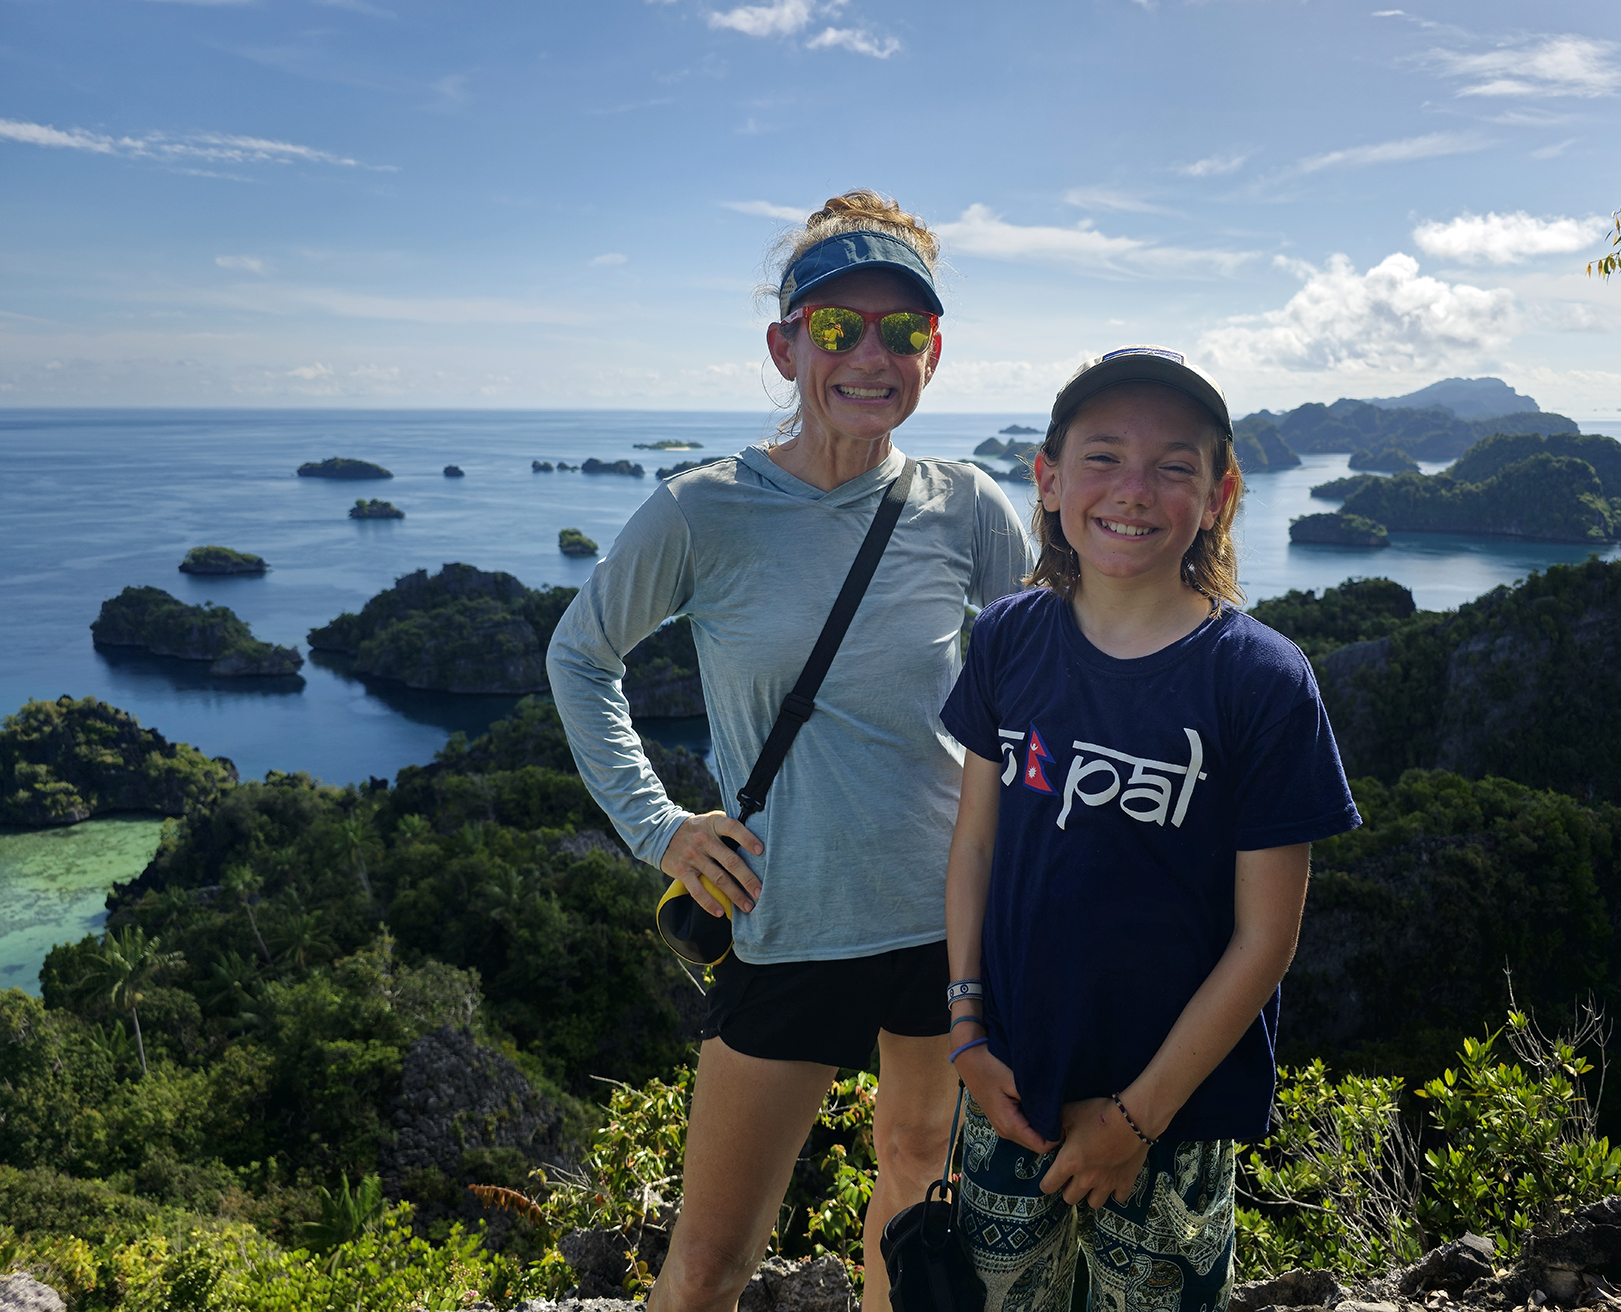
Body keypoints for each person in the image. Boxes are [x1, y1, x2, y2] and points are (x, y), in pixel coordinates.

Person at [546, 191, 1031, 1312]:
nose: (871, 355)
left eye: (902, 331)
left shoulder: (965, 507)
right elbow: (580, 657)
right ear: (785, 346)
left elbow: (1047, 682)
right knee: (709, 1262)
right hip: (787, 919)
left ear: (934, 351)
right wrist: (661, 828)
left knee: (915, 1177)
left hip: (944, 919)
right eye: (837, 328)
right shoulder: (703, 511)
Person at [937, 347, 1361, 1311]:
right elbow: (976, 847)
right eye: (1103, 458)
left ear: (1218, 497)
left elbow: (1266, 937)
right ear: (1048, 480)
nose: (1134, 490)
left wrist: (1137, 1119)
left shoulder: (1261, 681)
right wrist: (965, 1033)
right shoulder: (1007, 637)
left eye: (1174, 466)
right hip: (1012, 1081)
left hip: (1177, 1113)